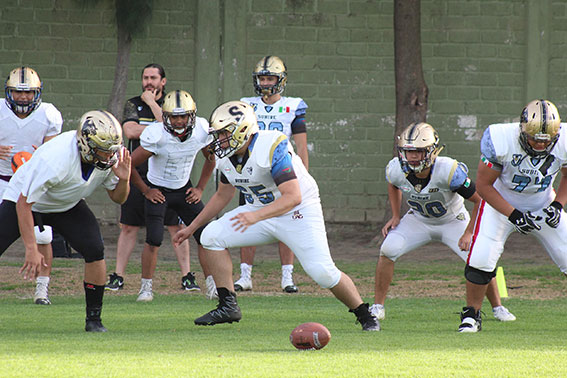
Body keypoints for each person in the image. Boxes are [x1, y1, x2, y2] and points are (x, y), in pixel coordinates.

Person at [173, 100, 380, 331]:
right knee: (210, 236)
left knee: (322, 273)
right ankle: (228, 306)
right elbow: (223, 195)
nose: (219, 140)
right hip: (260, 209)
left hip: (298, 212)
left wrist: (256, 216)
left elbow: (293, 197)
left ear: (242, 131)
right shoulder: (225, 157)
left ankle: (365, 314)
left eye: (224, 134)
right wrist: (192, 227)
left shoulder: (272, 145)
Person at [371, 122, 515, 323]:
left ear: (431, 151)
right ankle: (377, 306)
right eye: (408, 151)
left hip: (453, 220)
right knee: (388, 249)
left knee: (480, 259)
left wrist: (469, 232)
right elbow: (393, 184)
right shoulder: (396, 168)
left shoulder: (448, 170)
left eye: (418, 152)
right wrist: (396, 215)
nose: (412, 157)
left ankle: (498, 307)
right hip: (419, 220)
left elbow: (480, 200)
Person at [0, 110, 130, 332]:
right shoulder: (57, 157)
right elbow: (24, 204)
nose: (109, 157)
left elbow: (118, 198)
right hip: (25, 200)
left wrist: (125, 180)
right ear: (87, 145)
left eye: (112, 151)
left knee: (95, 250)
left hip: (66, 204)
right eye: (103, 151)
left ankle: (94, 320)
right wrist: (31, 248)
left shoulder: (111, 156)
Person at [458, 99, 567, 333]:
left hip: (543, 203)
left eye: (545, 140)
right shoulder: (500, 139)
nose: (539, 145)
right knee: (481, 258)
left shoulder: (565, 140)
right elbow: (484, 186)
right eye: (534, 139)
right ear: (521, 129)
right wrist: (513, 214)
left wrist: (558, 205)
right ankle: (471, 315)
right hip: (501, 203)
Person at [105, 63, 197, 293]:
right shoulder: (133, 103)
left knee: (176, 226)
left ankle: (187, 276)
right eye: (145, 77)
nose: (149, 82)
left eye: (154, 78)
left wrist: (152, 104)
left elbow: (170, 128)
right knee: (129, 226)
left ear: (163, 81)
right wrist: (157, 124)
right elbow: (130, 132)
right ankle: (118, 275)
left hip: (168, 175)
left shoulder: (173, 105)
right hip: (137, 173)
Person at [130, 90, 215, 302]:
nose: (178, 121)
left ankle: (213, 285)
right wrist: (146, 190)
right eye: (174, 116)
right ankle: (146, 288)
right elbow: (129, 164)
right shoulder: (157, 134)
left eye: (183, 116)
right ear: (166, 116)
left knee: (205, 237)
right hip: (159, 190)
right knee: (154, 239)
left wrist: (200, 188)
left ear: (191, 116)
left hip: (185, 189)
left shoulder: (201, 130)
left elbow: (211, 159)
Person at [234, 55, 308, 293]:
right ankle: (245, 275)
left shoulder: (293, 106)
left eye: (270, 78)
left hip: (281, 171)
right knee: (247, 218)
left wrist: (303, 176)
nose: (265, 83)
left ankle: (287, 277)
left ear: (281, 80)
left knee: (286, 223)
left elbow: (301, 147)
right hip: (253, 169)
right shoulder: (246, 105)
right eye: (262, 78)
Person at [0, 66, 62, 305]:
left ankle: (42, 289)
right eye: (18, 92)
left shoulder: (49, 114)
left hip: (32, 182)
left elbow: (54, 151)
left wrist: (43, 154)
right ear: (9, 92)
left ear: (38, 93)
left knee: (43, 236)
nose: (24, 97)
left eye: (29, 92)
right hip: (4, 180)